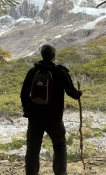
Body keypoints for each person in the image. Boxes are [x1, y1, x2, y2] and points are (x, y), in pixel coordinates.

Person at [20, 44, 82, 175]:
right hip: (54, 118)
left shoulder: (33, 71)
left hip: (34, 118)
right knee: (59, 146)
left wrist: (28, 109)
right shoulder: (60, 71)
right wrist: (79, 93)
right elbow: (72, 92)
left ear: (42, 55)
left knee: (32, 149)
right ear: (54, 56)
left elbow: (23, 94)